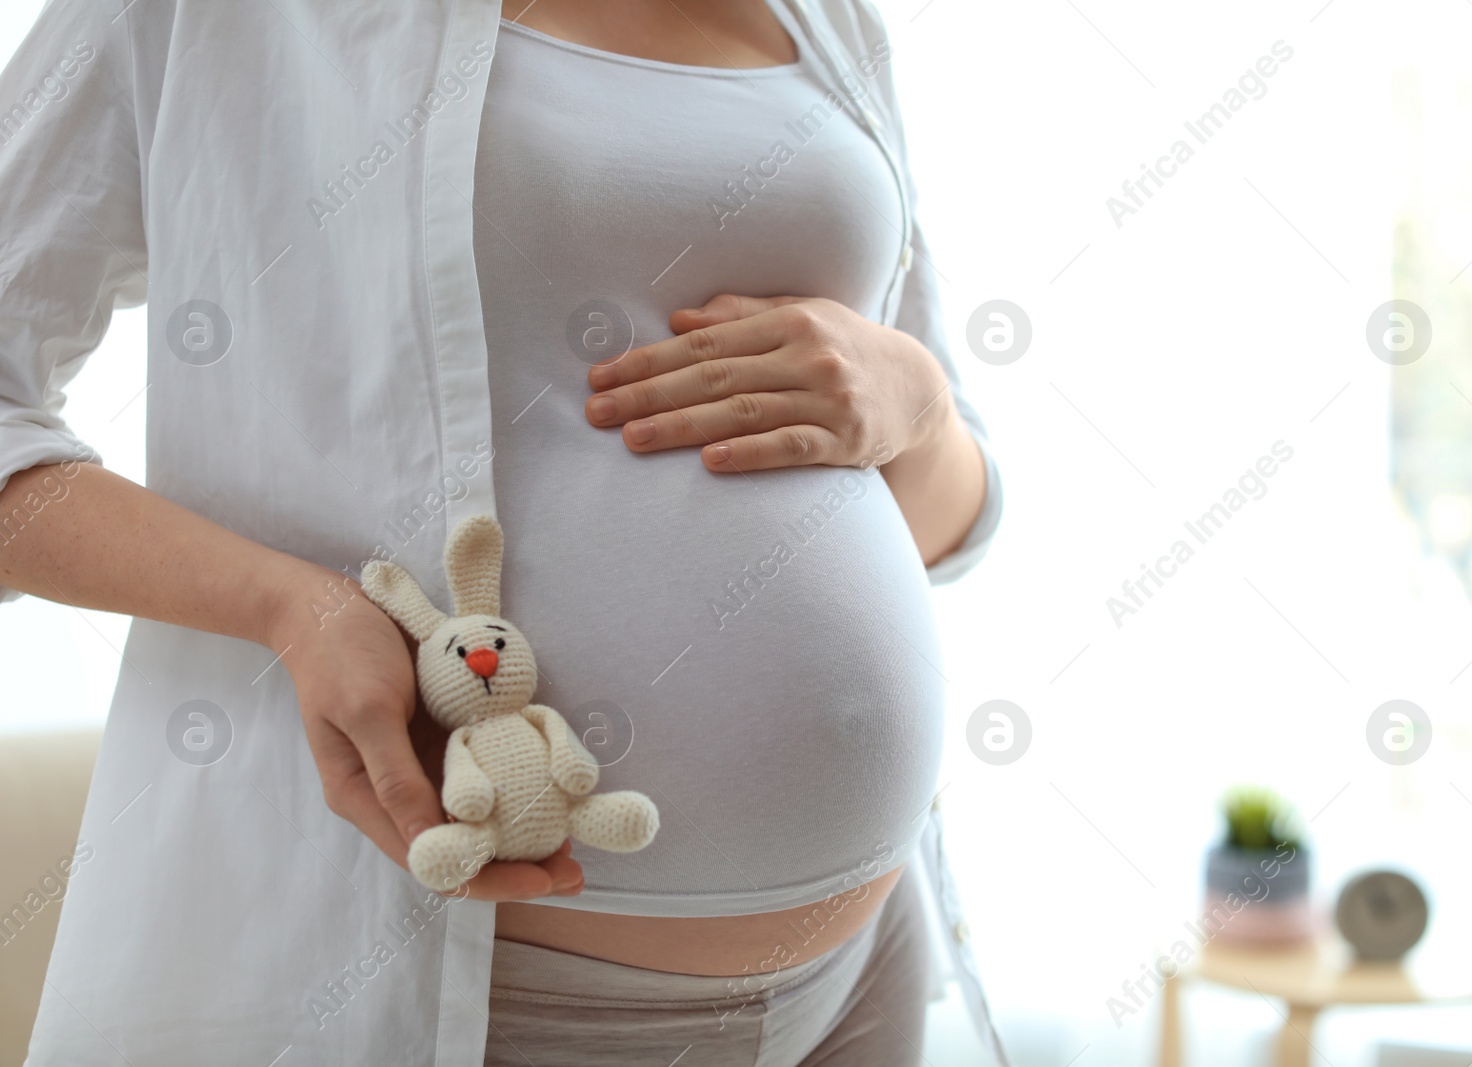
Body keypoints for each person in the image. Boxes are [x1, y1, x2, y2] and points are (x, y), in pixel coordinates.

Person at [0, 1, 1006, 1064]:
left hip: (861, 960)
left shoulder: (829, 17)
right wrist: (291, 606)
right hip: (484, 977)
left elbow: (947, 525)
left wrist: (922, 406)